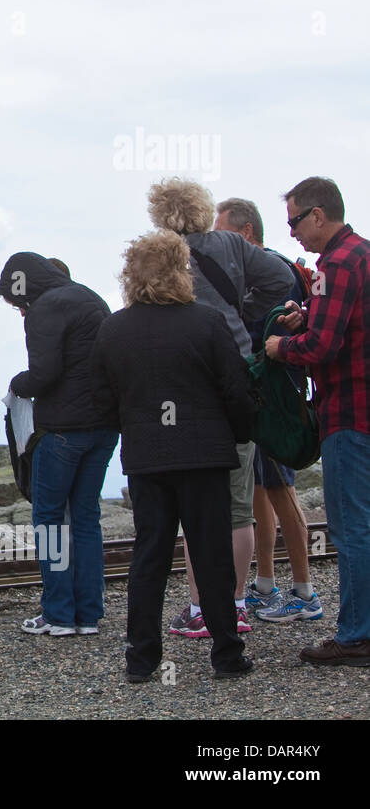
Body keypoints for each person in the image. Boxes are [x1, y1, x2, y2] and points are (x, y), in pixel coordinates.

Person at [91, 230, 255, 681]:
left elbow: (104, 400)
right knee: (211, 555)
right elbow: (235, 389)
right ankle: (226, 653)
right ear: (181, 271)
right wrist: (238, 436)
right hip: (203, 456)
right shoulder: (206, 323)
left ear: (131, 273)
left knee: (149, 558)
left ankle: (141, 659)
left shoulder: (114, 329)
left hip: (147, 457)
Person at [147, 178, 292, 638]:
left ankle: (199, 607)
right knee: (237, 506)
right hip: (234, 373)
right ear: (201, 209)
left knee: (195, 505)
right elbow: (281, 279)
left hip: (182, 383)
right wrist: (246, 309)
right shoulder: (231, 244)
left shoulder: (161, 254)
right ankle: (235, 604)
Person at [265, 177, 370, 665]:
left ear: (319, 215)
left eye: (295, 221)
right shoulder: (362, 255)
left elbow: (324, 348)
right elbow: (344, 325)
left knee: (351, 530)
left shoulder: (335, 263)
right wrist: (306, 313)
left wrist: (280, 347)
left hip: (349, 413)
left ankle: (355, 637)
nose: (292, 234)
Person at [0, 253, 119, 637]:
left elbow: (44, 374)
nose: (19, 309)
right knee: (85, 517)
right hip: (103, 427)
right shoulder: (90, 297)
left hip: (63, 429)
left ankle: (58, 614)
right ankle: (88, 614)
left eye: (17, 302)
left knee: (49, 519)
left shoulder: (44, 308)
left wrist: (18, 384)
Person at [212, 198, 321, 623]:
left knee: (279, 489)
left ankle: (305, 591)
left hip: (276, 399)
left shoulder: (274, 271)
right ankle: (266, 584)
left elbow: (275, 332)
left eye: (222, 234)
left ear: (243, 233)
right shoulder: (257, 272)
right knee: (257, 492)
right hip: (256, 399)